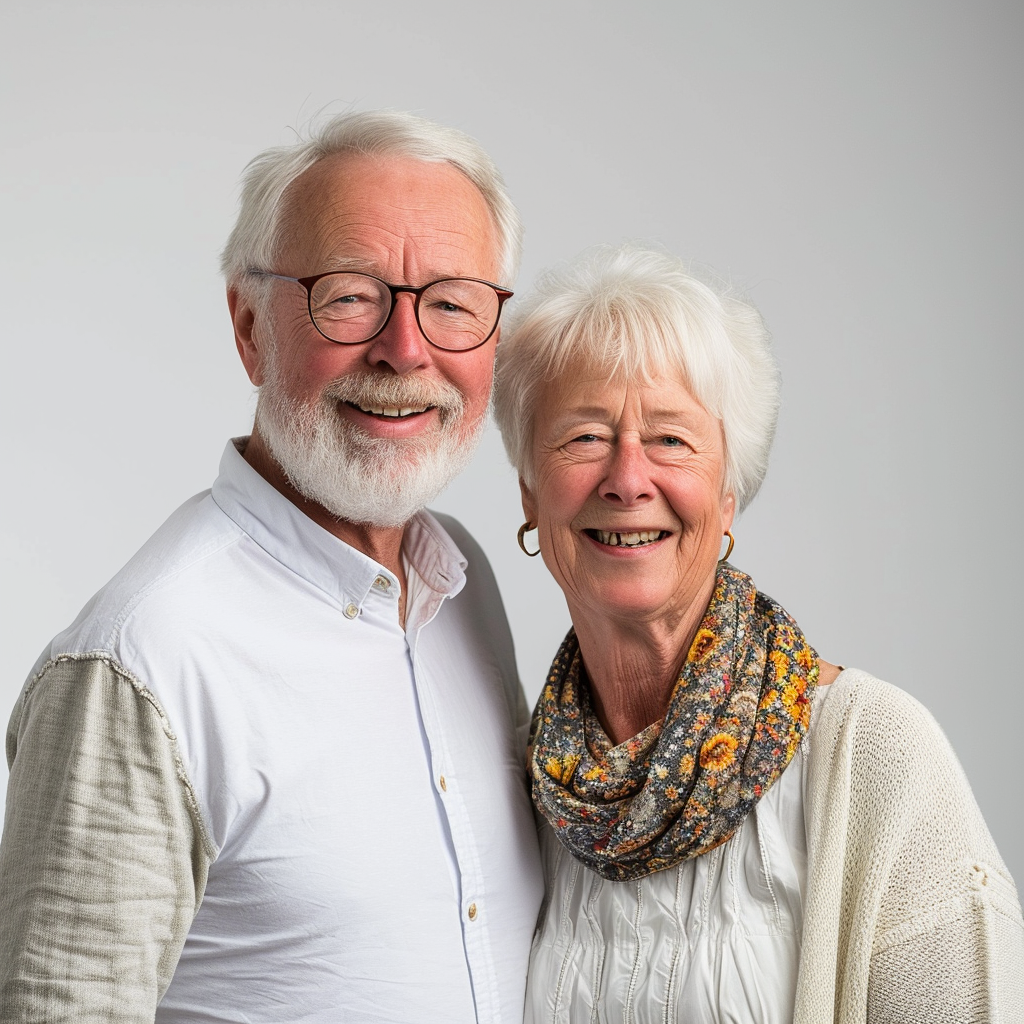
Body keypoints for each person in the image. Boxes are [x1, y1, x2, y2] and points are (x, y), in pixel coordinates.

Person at [0, 110, 543, 1022]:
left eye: (451, 301)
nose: (404, 350)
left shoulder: (461, 584)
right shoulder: (141, 664)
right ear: (250, 327)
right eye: (350, 295)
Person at [492, 243, 1024, 1022]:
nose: (628, 478)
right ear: (531, 495)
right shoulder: (525, 783)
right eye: (584, 437)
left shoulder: (872, 752)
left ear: (728, 494)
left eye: (671, 439)